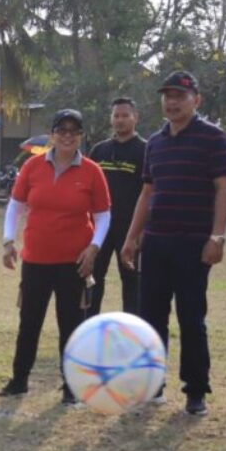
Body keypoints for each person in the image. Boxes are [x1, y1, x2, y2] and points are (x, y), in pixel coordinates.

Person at [120, 71, 226, 416]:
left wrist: (217, 236)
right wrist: (131, 239)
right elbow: (147, 192)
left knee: (191, 318)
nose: (172, 102)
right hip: (156, 243)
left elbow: (223, 189)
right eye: (167, 96)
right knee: (151, 316)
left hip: (193, 244)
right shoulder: (155, 142)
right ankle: (152, 384)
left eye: (180, 96)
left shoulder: (213, 138)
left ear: (196, 100)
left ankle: (196, 390)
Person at [0, 109, 112, 404]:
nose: (67, 136)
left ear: (80, 137)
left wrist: (94, 248)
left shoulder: (91, 171)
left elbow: (103, 215)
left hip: (74, 262)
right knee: (29, 322)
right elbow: (15, 205)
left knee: (71, 324)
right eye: (61, 130)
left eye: (73, 131)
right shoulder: (33, 167)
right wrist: (8, 241)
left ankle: (71, 387)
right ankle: (19, 380)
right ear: (53, 134)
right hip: (36, 259)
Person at [87, 97, 146, 313]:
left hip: (130, 228)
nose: (120, 120)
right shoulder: (99, 151)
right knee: (93, 278)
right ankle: (89, 326)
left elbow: (149, 194)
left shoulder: (145, 150)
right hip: (100, 228)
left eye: (125, 115)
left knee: (132, 281)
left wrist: (140, 231)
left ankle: (132, 333)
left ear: (135, 118)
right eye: (116, 116)